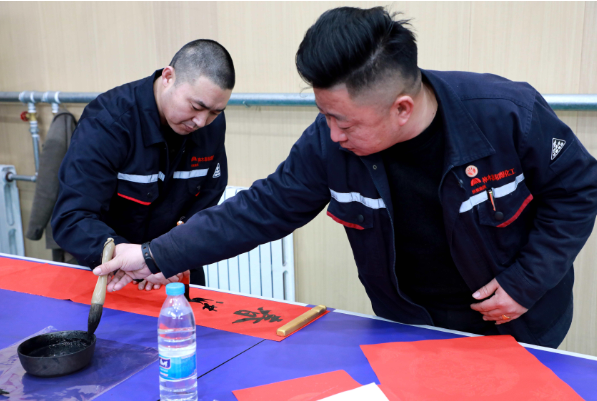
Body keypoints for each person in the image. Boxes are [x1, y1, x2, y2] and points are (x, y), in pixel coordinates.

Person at [92, 7, 597, 347]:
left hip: (514, 323)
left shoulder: (506, 114)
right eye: (325, 115)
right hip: (411, 328)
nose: (332, 134)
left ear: (401, 108)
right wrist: (153, 255)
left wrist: (526, 283)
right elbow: (261, 209)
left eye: (344, 121)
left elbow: (578, 189)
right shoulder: (328, 142)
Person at [52, 39, 235, 290]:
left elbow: (206, 203)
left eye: (215, 112)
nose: (201, 122)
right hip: (112, 274)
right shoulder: (108, 123)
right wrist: (126, 255)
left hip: (173, 271)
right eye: (196, 106)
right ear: (168, 77)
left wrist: (173, 254)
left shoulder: (210, 126)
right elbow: (72, 217)